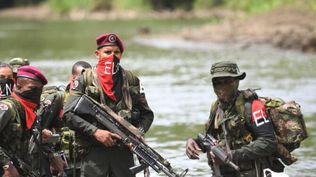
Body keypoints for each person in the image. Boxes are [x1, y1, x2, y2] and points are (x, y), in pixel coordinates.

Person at [63, 33, 154, 177]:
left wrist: (138, 134)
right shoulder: (85, 79)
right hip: (93, 151)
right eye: (107, 52)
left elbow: (147, 114)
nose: (112, 56)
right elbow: (68, 114)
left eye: (116, 52)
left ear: (121, 55)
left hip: (123, 152)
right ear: (97, 54)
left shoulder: (131, 80)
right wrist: (95, 132)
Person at [185, 61, 284, 177]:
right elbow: (209, 138)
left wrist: (231, 155)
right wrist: (194, 142)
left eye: (227, 81)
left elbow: (268, 142)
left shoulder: (252, 106)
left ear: (237, 81)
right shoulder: (216, 108)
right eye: (217, 83)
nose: (222, 87)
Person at [0, 65, 64, 177]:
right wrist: (6, 164)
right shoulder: (8, 107)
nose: (36, 93)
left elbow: (33, 141)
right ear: (18, 86)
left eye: (39, 89)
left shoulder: (30, 111)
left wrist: (53, 156)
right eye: (32, 89)